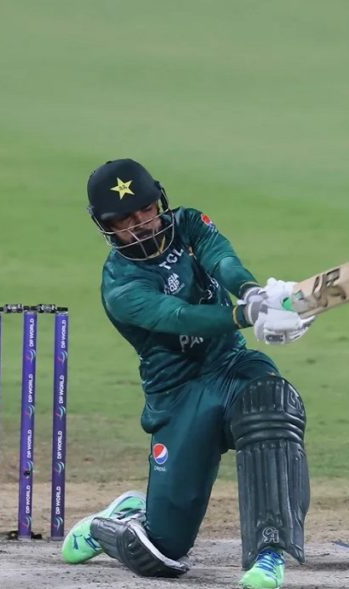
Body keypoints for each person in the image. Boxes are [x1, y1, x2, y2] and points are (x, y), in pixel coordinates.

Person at [61, 158, 314, 589]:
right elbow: (179, 316)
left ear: (159, 201)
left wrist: (254, 293)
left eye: (146, 209)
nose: (141, 224)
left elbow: (222, 260)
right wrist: (246, 315)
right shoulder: (121, 286)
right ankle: (114, 523)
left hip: (230, 366)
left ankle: (269, 553)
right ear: (106, 227)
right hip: (178, 397)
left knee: (271, 403)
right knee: (160, 552)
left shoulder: (189, 223)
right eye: (124, 220)